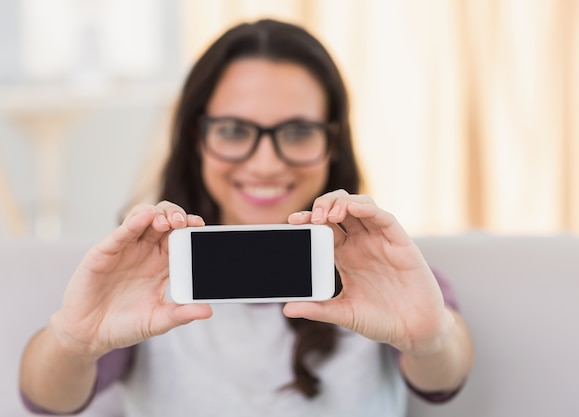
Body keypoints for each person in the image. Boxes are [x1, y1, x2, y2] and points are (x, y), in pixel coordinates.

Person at [19, 19, 473, 416]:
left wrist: (431, 341)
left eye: (297, 132)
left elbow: (444, 378)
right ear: (195, 139)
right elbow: (48, 400)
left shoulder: (389, 277)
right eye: (234, 131)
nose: (265, 164)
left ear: (333, 144)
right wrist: (74, 342)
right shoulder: (145, 278)